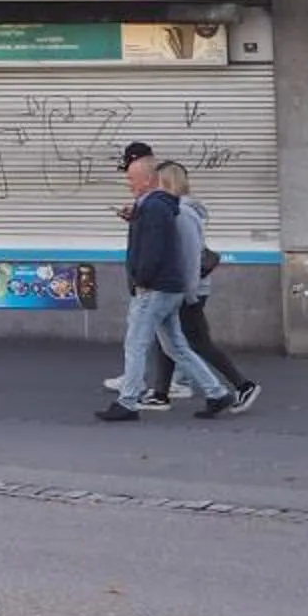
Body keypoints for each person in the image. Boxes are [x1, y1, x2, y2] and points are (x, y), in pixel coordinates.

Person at [97, 151, 236, 421]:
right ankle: (217, 393)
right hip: (169, 288)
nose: (129, 184)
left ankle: (127, 402)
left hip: (155, 288)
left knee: (136, 343)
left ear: (149, 180)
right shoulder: (158, 206)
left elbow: (153, 249)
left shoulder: (154, 207)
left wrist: (142, 280)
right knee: (175, 346)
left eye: (132, 179)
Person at [154, 161, 260, 412]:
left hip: (190, 288)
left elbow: (189, 255)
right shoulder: (182, 209)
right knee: (166, 337)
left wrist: (189, 292)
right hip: (187, 286)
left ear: (166, 182)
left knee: (197, 340)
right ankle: (160, 392)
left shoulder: (182, 211)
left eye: (157, 182)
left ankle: (243, 385)